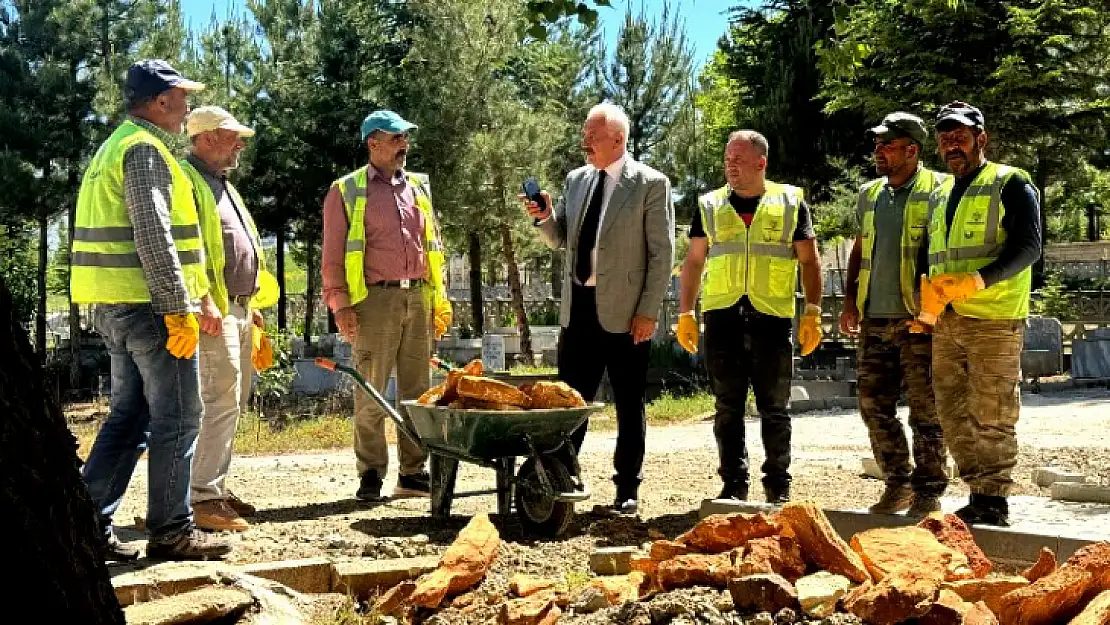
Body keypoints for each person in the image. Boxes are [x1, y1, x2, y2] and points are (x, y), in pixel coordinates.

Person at [72, 60, 230, 561]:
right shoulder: (144, 150)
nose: (187, 108)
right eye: (182, 98)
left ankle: (86, 525)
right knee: (180, 417)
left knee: (131, 415)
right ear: (161, 102)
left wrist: (196, 294)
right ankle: (172, 532)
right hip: (149, 307)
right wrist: (176, 308)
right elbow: (154, 234)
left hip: (117, 305)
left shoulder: (116, 144)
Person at [521, 102, 674, 515]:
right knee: (570, 402)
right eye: (584, 133)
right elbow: (560, 239)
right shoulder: (576, 180)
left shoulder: (650, 184)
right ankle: (559, 480)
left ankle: (626, 489)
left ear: (618, 140)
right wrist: (546, 216)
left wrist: (647, 311)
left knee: (628, 402)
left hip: (627, 314)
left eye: (592, 135)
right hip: (579, 310)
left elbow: (662, 256)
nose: (584, 141)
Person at [675, 130, 823, 504]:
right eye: (727, 160)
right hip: (722, 317)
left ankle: (778, 487)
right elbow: (694, 261)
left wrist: (813, 312)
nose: (731, 167)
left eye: (739, 160)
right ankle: (733, 486)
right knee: (727, 408)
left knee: (776, 408)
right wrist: (686, 313)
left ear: (761, 163)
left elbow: (809, 259)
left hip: (771, 317)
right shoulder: (709, 205)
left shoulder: (790, 202)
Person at [915, 102, 1042, 527]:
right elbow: (930, 251)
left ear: (980, 139)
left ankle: (993, 500)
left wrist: (979, 280)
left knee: (992, 412)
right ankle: (977, 492)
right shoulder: (940, 193)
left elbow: (1029, 246)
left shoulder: (1010, 182)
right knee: (952, 412)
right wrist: (926, 305)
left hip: (994, 318)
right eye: (945, 137)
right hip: (947, 320)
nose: (952, 144)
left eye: (961, 136)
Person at [321, 110, 451, 503]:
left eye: (405, 138)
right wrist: (340, 305)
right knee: (371, 391)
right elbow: (332, 256)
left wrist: (438, 301)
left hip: (418, 296)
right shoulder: (345, 190)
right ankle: (371, 473)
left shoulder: (418, 188)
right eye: (395, 139)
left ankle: (412, 472)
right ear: (372, 143)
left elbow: (435, 247)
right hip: (373, 300)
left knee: (416, 391)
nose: (403, 145)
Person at [839, 113, 949, 516]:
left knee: (926, 410)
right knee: (873, 405)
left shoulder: (940, 189)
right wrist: (850, 301)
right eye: (877, 145)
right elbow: (860, 248)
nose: (878, 152)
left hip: (919, 320)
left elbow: (944, 252)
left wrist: (934, 310)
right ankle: (897, 482)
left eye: (887, 145)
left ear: (912, 150)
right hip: (875, 319)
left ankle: (929, 489)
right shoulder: (870, 194)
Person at [180, 106, 274, 531]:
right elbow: (185, 249)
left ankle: (211, 485)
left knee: (231, 401)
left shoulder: (222, 185)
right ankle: (202, 498)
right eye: (232, 135)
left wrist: (250, 309)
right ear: (205, 138)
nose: (240, 143)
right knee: (217, 401)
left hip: (236, 308)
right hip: (211, 310)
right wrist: (202, 301)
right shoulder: (188, 180)